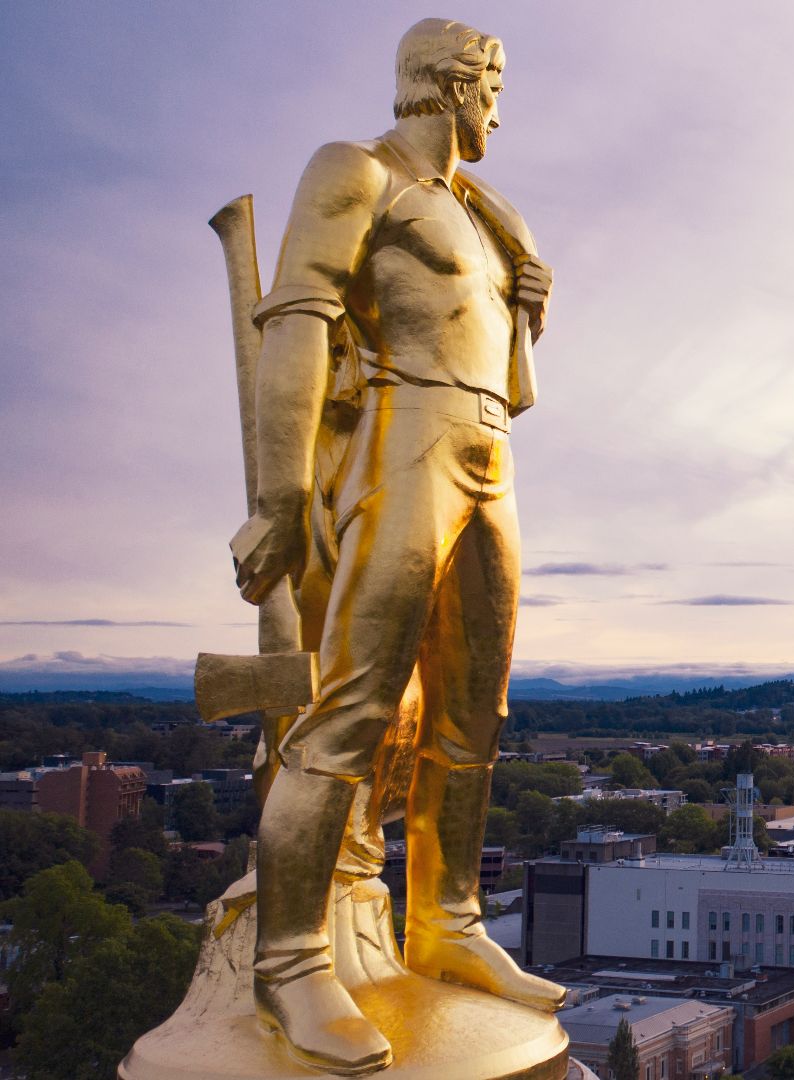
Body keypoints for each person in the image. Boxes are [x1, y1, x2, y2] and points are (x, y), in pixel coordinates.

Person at [232, 19, 562, 1075]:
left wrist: (524, 306)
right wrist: (284, 497)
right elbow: (298, 320)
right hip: (401, 435)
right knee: (356, 707)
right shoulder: (356, 170)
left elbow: (512, 378)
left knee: (471, 712)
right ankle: (290, 960)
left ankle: (446, 923)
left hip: (489, 453)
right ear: (449, 85)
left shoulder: (482, 215)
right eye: (492, 89)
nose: (498, 111)